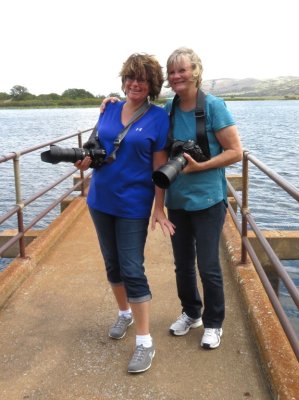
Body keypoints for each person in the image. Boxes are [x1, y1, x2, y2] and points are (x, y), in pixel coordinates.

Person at [75, 53, 174, 374]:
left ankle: (145, 342)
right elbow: (96, 147)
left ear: (152, 85)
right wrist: (85, 160)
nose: (135, 84)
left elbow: (159, 167)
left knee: (132, 267)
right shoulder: (109, 107)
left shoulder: (158, 118)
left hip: (133, 203)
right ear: (124, 79)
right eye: (131, 77)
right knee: (112, 264)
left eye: (142, 80)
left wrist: (158, 207)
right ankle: (124, 313)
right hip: (99, 199)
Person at [163, 47, 243, 349]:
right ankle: (191, 312)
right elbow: (134, 111)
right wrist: (111, 103)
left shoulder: (213, 106)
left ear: (196, 71)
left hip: (208, 200)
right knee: (182, 264)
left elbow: (235, 152)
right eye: (172, 72)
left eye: (182, 70)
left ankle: (213, 323)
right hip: (178, 201)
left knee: (208, 265)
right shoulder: (168, 109)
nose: (176, 76)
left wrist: (201, 166)